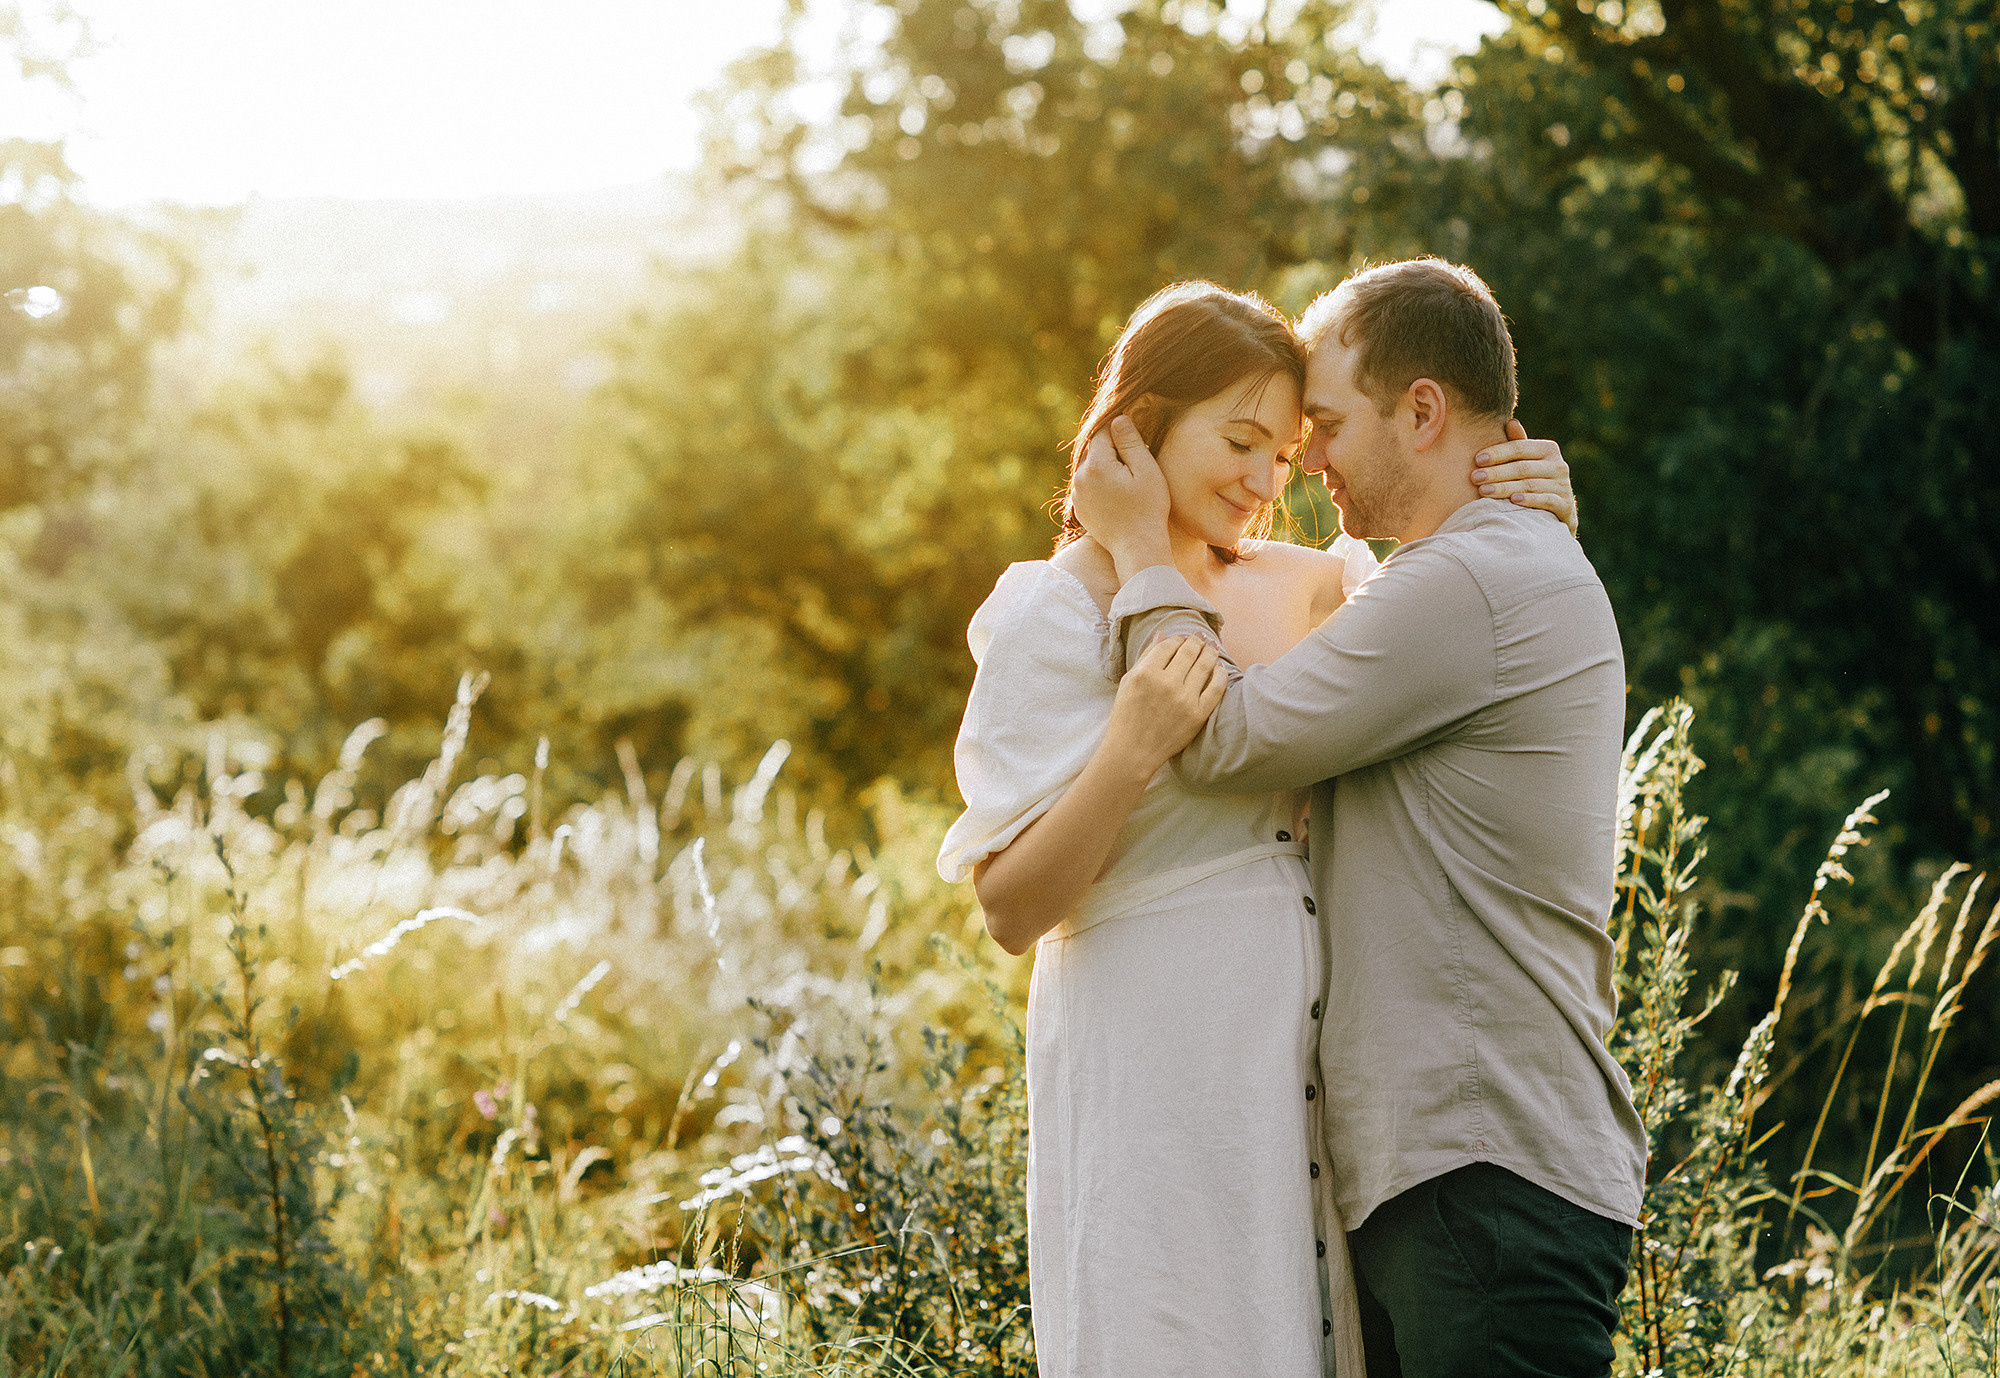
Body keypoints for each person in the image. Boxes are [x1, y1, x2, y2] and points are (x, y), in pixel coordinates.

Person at [935, 279, 1578, 1378]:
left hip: (1298, 1072)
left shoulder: (1316, 585)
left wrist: (1531, 497)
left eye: (1284, 452)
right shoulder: (1054, 610)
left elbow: (1459, 600)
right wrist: (1132, 745)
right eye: (1238, 440)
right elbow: (1008, 906)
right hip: (1150, 1060)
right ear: (1138, 426)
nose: (1265, 480)